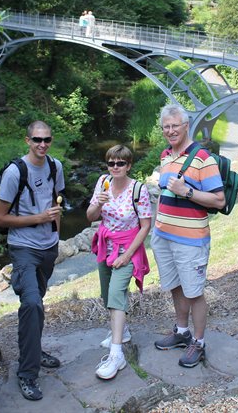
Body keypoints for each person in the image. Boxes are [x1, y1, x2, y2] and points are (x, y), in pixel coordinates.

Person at [0, 121, 64, 401]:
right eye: (37, 140)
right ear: (27, 140)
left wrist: (55, 232)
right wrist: (38, 219)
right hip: (23, 247)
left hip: (48, 247)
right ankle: (27, 374)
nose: (42, 145)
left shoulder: (55, 166)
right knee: (31, 303)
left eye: (47, 139)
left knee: (36, 306)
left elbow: (58, 198)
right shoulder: (15, 173)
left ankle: (33, 351)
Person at [151, 104, 224, 368]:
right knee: (176, 286)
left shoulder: (204, 158)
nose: (170, 131)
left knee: (194, 293)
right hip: (164, 235)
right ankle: (182, 332)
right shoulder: (165, 156)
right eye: (166, 127)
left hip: (191, 240)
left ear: (186, 125)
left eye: (175, 126)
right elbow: (163, 193)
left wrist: (188, 192)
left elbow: (218, 200)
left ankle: (199, 342)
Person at [86, 145, 152, 380]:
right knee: (107, 296)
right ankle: (121, 331)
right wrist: (99, 203)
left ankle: (117, 355)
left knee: (116, 294)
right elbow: (90, 217)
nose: (115, 167)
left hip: (128, 248)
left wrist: (126, 256)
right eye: (111, 163)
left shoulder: (138, 190)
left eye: (120, 163)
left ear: (129, 165)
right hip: (106, 246)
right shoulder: (103, 182)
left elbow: (145, 227)